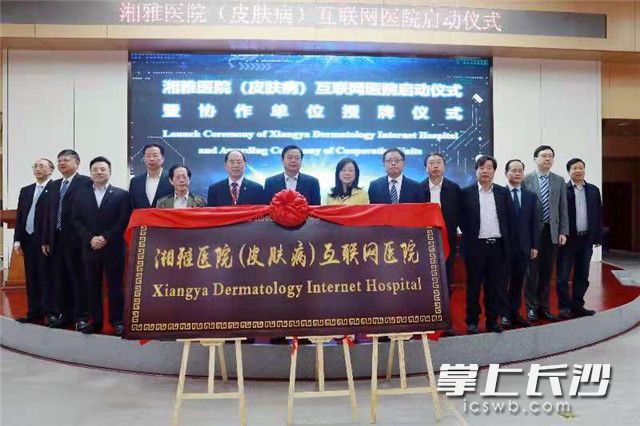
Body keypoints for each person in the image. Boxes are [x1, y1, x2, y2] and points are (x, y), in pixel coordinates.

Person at [72, 157, 131, 335]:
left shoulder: (122, 195)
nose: (99, 172)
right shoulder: (80, 195)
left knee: (115, 286)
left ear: (109, 172)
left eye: (103, 169)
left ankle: (117, 322)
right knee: (92, 285)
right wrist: (90, 238)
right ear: (90, 173)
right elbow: (76, 220)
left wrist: (105, 237)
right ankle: (95, 321)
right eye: (95, 169)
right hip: (90, 248)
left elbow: (123, 220)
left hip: (113, 247)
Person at [459, 156, 514, 334]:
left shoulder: (502, 192)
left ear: (494, 171)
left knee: (494, 287)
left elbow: (510, 219)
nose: (485, 171)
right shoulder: (465, 193)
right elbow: (461, 219)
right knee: (473, 287)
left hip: (497, 247)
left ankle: (492, 321)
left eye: (489, 167)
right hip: (475, 247)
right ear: (476, 170)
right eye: (481, 167)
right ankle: (472, 321)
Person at [42, 149, 93, 329]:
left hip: (77, 240)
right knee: (60, 279)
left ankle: (82, 316)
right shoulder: (54, 185)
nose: (62, 163)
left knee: (78, 278)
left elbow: (89, 213)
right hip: (56, 239)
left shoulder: (86, 182)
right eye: (59, 160)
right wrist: (46, 239)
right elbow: (48, 214)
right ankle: (64, 315)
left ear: (77, 163)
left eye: (66, 160)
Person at [523, 145, 568, 322]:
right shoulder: (526, 179)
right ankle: (531, 307)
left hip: (552, 232)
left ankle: (544, 307)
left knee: (547, 272)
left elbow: (563, 208)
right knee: (531, 272)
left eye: (550, 156)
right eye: (544, 156)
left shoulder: (559, 180)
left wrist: (563, 231)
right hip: (533, 233)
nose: (547, 159)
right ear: (535, 159)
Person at [556, 158, 603, 318]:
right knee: (563, 276)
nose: (578, 171)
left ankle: (578, 305)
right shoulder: (563, 189)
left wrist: (598, 237)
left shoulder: (594, 190)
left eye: (581, 168)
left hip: (586, 239)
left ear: (584, 169)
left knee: (582, 275)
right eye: (574, 168)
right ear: (568, 171)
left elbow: (598, 215)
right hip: (568, 240)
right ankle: (564, 307)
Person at [13, 158, 56, 324]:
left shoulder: (55, 188)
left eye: (42, 166)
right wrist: (17, 240)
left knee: (47, 277)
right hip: (28, 240)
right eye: (35, 166)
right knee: (32, 278)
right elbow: (20, 216)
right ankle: (33, 312)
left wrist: (49, 239)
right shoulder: (26, 190)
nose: (38, 169)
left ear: (51, 170)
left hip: (45, 241)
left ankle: (50, 313)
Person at [501, 159, 541, 328]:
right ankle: (504, 314)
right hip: (504, 247)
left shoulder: (530, 196)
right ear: (506, 173)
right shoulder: (499, 194)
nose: (517, 173)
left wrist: (534, 246)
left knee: (518, 282)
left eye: (520, 171)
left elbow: (534, 222)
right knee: (503, 282)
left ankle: (514, 312)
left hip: (524, 247)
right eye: (513, 170)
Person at [421, 152, 460, 296]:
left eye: (438, 162)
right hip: (424, 236)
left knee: (447, 268)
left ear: (444, 166)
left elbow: (460, 212)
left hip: (448, 235)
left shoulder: (454, 188)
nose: (435, 166)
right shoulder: (419, 188)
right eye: (431, 163)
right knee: (426, 269)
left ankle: (446, 298)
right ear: (425, 168)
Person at [129, 143, 173, 209]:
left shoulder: (172, 179)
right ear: (144, 159)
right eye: (148, 156)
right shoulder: (135, 182)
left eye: (155, 156)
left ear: (162, 159)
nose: (151, 159)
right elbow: (131, 206)